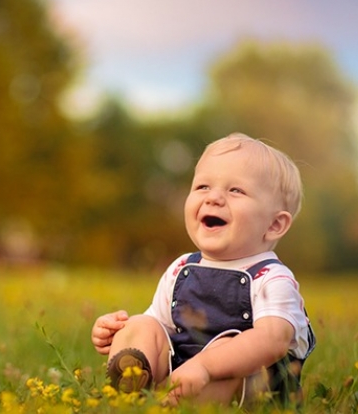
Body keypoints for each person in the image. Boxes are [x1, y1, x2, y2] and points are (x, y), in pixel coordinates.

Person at [91, 132, 316, 407]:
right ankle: (133, 380)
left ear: (274, 225)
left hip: (248, 390)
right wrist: (119, 333)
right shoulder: (181, 268)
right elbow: (161, 328)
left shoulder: (271, 278)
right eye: (202, 187)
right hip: (183, 375)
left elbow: (273, 340)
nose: (214, 198)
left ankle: (167, 403)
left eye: (236, 191)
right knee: (142, 324)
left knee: (230, 345)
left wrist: (206, 367)